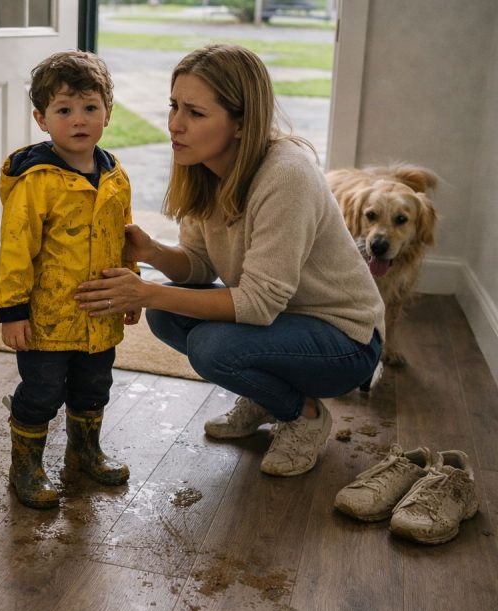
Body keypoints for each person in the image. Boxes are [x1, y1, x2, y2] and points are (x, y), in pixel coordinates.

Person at [75, 44, 384, 477]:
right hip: (284, 323)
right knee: (167, 317)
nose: (174, 124)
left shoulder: (286, 175)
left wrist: (147, 292)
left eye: (195, 113)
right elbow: (201, 265)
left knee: (209, 345)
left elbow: (257, 305)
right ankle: (266, 395)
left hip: (344, 341)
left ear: (241, 123)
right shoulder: (204, 166)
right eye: (174, 106)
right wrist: (152, 253)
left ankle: (305, 415)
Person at [0, 50, 140, 509]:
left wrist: (131, 285)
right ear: (41, 118)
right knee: (41, 392)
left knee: (94, 385)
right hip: (48, 318)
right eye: (64, 110)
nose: (78, 120)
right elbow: (16, 249)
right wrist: (13, 311)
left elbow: (125, 237)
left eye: (90, 108)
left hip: (99, 314)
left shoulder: (115, 175)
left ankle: (84, 451)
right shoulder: (35, 182)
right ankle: (25, 466)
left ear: (107, 114)